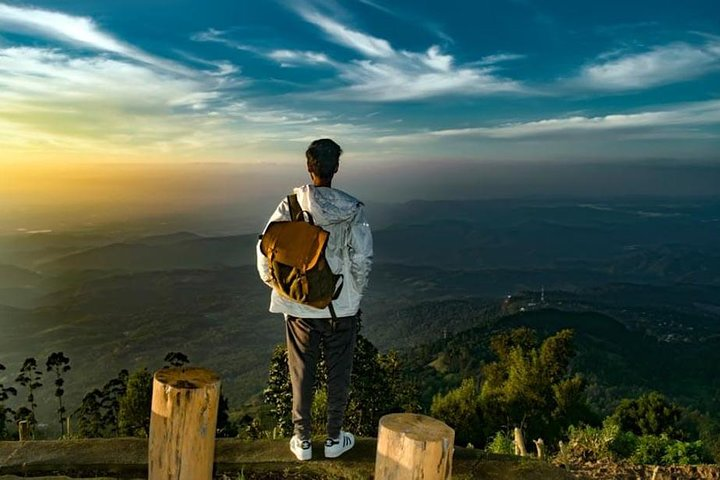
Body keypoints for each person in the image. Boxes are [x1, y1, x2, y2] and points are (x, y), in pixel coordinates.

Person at [256, 138, 373, 461]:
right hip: (341, 308)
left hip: (300, 309)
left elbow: (265, 250)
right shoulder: (352, 210)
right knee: (339, 374)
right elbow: (362, 258)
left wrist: (280, 287)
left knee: (301, 373)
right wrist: (353, 294)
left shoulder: (290, 206)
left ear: (309, 167)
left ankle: (303, 441)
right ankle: (335, 439)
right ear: (336, 167)